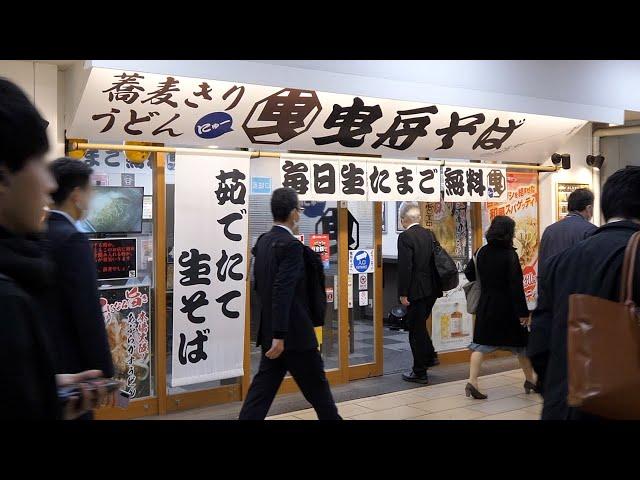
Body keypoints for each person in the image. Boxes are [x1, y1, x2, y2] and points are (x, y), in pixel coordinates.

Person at [0, 77, 109, 419]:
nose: (48, 184)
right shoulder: (7, 298)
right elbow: (87, 314)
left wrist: (43, 387)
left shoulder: (22, 257)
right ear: (3, 176)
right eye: (38, 162)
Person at [541, 167, 640, 420]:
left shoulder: (558, 262)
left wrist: (557, 389)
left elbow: (539, 346)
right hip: (625, 405)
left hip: (565, 405)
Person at [238, 187, 341, 420]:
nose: (300, 214)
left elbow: (260, 286)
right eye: (299, 210)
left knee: (260, 393)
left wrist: (274, 333)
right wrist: (280, 334)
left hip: (274, 335)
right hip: (293, 336)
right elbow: (282, 289)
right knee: (320, 393)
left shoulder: (263, 242)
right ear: (294, 213)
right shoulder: (292, 246)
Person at [44, 158, 115, 419]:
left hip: (44, 366)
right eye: (90, 191)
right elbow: (87, 313)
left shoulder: (39, 232)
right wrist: (105, 372)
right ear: (76, 195)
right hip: (75, 369)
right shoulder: (73, 239)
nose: (91, 199)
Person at [528, 188, 597, 395]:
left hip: (553, 301)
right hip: (580, 302)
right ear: (589, 208)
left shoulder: (550, 230)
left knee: (558, 347)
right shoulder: (591, 231)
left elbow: (542, 270)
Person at [463, 215, 537, 399]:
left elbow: (469, 272)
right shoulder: (509, 255)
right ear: (509, 233)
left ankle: (472, 381)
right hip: (508, 309)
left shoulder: (481, 252)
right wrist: (523, 313)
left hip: (486, 306)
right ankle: (531, 380)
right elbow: (515, 286)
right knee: (521, 346)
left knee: (480, 345)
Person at [397, 201, 441, 385]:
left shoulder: (406, 237)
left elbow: (406, 267)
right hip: (431, 289)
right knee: (419, 325)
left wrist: (403, 293)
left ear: (404, 219)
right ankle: (430, 356)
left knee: (415, 330)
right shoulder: (429, 234)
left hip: (415, 291)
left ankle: (419, 372)